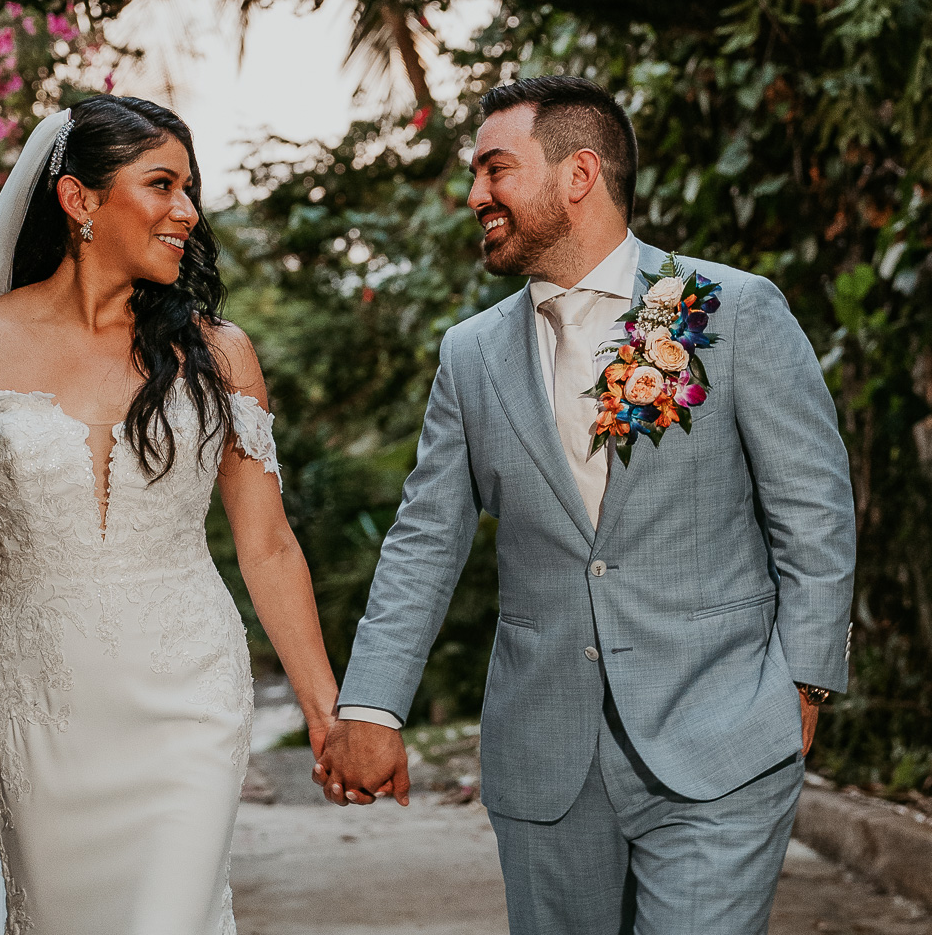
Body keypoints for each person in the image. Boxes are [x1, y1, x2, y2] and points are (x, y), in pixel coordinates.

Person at [316, 74, 856, 935]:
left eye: (496, 169)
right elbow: (425, 538)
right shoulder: (471, 355)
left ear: (579, 173)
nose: (475, 195)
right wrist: (373, 705)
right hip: (546, 755)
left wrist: (806, 679)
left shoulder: (729, 310)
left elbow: (814, 510)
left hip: (725, 731)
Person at [0, 96, 339, 935]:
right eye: (162, 184)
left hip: (188, 690)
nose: (187, 212)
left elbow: (268, 545)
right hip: (36, 697)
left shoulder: (218, 353)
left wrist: (324, 711)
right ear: (79, 200)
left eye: (189, 189)